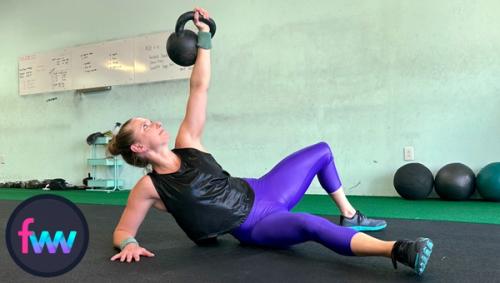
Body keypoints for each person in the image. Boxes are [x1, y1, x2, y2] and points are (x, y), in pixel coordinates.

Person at [108, 7, 433, 275]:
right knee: (309, 224)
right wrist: (130, 244)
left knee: (321, 151)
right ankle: (399, 250)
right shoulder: (149, 187)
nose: (156, 123)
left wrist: (204, 36)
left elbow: (199, 88)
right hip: (254, 224)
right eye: (147, 126)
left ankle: (350, 215)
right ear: (138, 147)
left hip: (262, 189)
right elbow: (123, 231)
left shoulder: (188, 141)